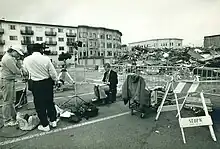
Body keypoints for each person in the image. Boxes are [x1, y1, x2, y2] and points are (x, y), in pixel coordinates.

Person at [23, 43, 59, 132]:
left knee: (39, 105)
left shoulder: (26, 60)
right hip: (47, 83)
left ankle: (45, 124)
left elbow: (25, 72)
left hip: (36, 84)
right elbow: (53, 73)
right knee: (49, 102)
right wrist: (56, 80)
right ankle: (53, 121)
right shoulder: (46, 58)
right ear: (41, 50)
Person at [0, 46, 25, 127]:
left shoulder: (11, 57)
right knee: (7, 101)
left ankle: (12, 118)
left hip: (10, 80)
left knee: (12, 100)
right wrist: (23, 73)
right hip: (6, 81)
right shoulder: (8, 59)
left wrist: (19, 62)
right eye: (17, 53)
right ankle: (7, 120)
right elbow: (15, 70)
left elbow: (18, 66)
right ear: (13, 51)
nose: (18, 55)